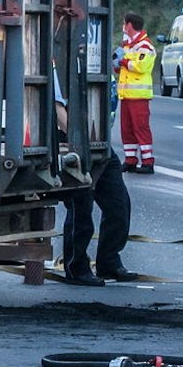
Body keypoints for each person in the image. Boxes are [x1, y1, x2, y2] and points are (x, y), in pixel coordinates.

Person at [53, 71, 136, 286]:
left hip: (100, 142)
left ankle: (109, 262)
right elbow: (56, 107)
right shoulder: (62, 61)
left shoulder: (98, 57)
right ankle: (76, 267)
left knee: (119, 205)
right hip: (75, 143)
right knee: (80, 207)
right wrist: (78, 141)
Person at [116, 12, 158, 173]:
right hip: (126, 95)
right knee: (127, 130)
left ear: (129, 25)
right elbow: (124, 67)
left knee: (141, 128)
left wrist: (123, 61)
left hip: (139, 97)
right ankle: (130, 160)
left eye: (124, 24)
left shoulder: (145, 46)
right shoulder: (127, 45)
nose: (123, 27)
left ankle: (148, 162)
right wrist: (118, 64)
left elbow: (141, 67)